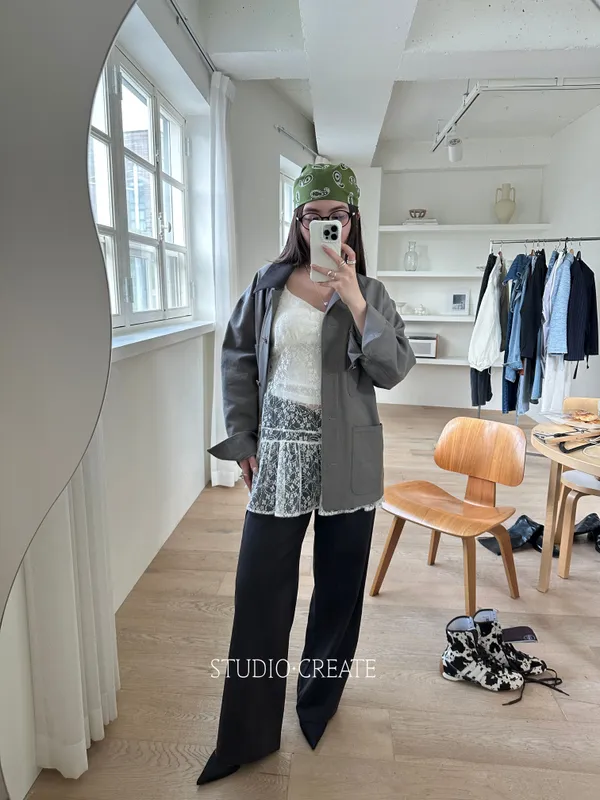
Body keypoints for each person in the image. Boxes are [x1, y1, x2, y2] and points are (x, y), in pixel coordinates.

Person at [198, 162, 415, 785]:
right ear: (298, 223)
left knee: (339, 590)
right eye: (311, 215)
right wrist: (243, 437)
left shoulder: (371, 293)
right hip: (279, 453)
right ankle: (245, 735)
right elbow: (238, 360)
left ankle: (318, 704)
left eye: (335, 215)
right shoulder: (267, 285)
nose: (324, 224)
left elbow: (393, 369)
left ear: (352, 220)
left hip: (349, 457)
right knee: (259, 590)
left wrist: (353, 298)